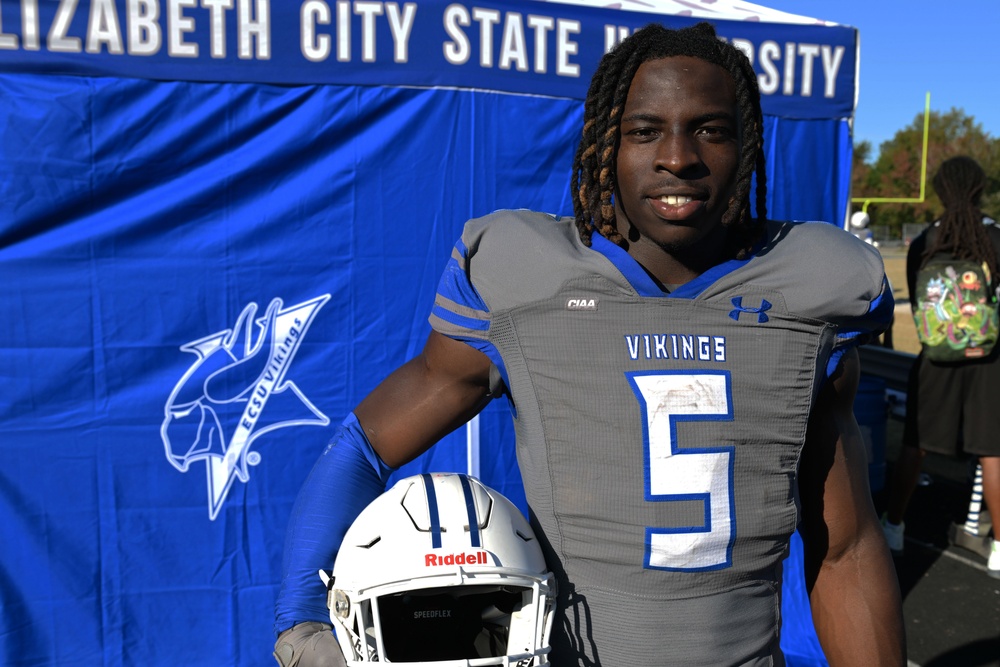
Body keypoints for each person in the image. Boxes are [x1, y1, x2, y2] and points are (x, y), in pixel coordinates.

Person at [273, 22, 906, 666]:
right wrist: (300, 617)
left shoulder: (808, 289)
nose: (677, 156)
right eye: (644, 130)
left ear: (746, 147)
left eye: (710, 129)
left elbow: (846, 548)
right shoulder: (527, 278)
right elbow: (363, 444)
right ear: (606, 145)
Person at [882, 155, 1000, 579]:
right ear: (978, 188)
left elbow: (918, 304)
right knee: (993, 451)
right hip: (989, 358)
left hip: (936, 357)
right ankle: (999, 551)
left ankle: (894, 527)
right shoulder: (995, 237)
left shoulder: (924, 241)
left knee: (916, 442)